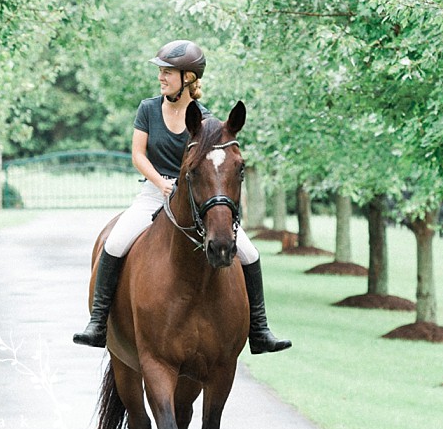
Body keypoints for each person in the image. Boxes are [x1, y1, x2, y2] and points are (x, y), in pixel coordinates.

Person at [73, 39, 292, 354]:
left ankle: (259, 330)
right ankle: (97, 323)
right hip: (153, 193)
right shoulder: (148, 108)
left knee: (250, 253)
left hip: (193, 198)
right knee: (115, 242)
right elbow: (137, 154)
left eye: (167, 72)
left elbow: (212, 168)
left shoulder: (206, 120)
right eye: (161, 71)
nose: (161, 77)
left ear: (188, 77)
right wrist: (160, 183)